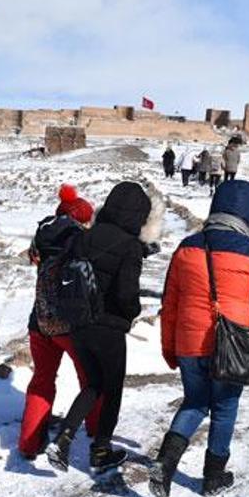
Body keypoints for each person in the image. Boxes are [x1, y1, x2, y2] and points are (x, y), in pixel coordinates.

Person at [152, 180, 249, 497]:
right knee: (224, 407)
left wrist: (168, 346)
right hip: (234, 345)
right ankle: (213, 476)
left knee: (194, 403)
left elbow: (170, 304)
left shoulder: (187, 247)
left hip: (189, 342)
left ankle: (164, 464)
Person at [46, 181, 161, 472]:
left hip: (78, 323)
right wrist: (132, 312)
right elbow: (125, 294)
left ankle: (64, 438)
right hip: (108, 327)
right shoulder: (130, 245)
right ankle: (101, 451)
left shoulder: (85, 236)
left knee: (94, 383)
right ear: (139, 214)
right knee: (112, 389)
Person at [17, 184, 101, 458]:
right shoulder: (79, 239)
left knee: (41, 380)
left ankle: (29, 443)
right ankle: (96, 430)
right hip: (73, 324)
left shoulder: (42, 235)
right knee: (91, 378)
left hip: (39, 322)